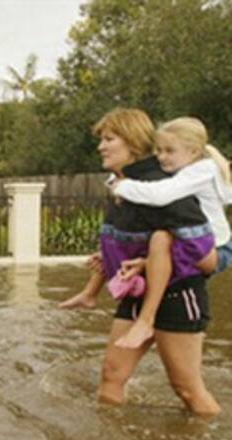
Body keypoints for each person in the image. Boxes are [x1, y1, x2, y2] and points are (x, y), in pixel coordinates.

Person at [90, 108, 220, 415]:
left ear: (133, 142)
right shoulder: (125, 185)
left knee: (187, 389)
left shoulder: (162, 188)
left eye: (109, 139)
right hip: (139, 294)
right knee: (111, 377)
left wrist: (153, 258)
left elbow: (207, 261)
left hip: (177, 295)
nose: (101, 147)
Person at [109, 117, 232, 348]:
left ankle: (146, 320)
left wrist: (122, 187)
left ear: (193, 151)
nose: (162, 157)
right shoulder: (186, 168)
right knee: (160, 240)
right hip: (195, 244)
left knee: (161, 237)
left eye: (169, 151)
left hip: (216, 249)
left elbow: (160, 195)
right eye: (159, 150)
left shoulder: (201, 170)